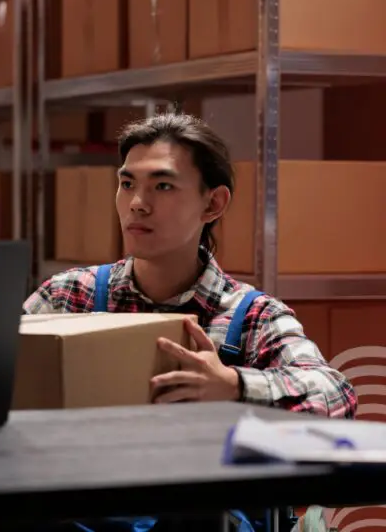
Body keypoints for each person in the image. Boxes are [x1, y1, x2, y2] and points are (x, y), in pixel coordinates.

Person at [24, 112, 355, 419]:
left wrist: (234, 385)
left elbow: (336, 395)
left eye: (162, 186)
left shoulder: (252, 317)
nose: (137, 204)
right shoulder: (70, 296)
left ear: (212, 204)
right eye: (127, 184)